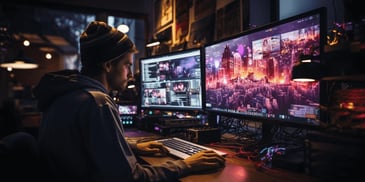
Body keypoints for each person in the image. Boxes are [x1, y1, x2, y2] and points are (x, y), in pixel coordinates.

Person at [33, 21, 225, 182]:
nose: (131, 75)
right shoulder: (97, 103)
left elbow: (85, 145)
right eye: (127, 65)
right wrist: (186, 164)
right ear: (108, 65)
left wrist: (132, 146)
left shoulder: (68, 94)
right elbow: (130, 177)